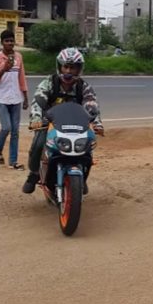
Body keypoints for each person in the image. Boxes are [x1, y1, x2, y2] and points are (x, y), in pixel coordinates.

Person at [23, 47, 104, 195]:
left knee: (88, 149)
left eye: (72, 67)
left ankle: (82, 177)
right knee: (38, 145)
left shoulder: (84, 87)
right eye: (65, 66)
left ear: (79, 69)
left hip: (77, 126)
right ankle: (34, 174)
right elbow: (38, 101)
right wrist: (36, 118)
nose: (68, 71)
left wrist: (97, 123)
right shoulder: (49, 83)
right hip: (50, 125)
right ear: (59, 66)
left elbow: (91, 107)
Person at [0, 30, 29, 170]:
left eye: (11, 41)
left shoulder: (18, 57)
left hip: (16, 98)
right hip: (1, 98)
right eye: (7, 41)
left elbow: (21, 77)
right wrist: (4, 69)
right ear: (2, 43)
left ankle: (13, 161)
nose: (9, 43)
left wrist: (25, 97)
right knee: (6, 127)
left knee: (15, 131)